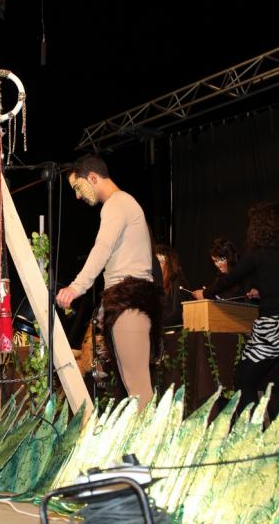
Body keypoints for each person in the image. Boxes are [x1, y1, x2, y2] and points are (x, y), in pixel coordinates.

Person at [56, 154, 162, 411]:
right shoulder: (124, 204)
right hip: (128, 300)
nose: (78, 196)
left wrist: (76, 287)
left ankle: (147, 447)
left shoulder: (117, 204)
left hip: (130, 301)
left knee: (138, 387)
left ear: (92, 178)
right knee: (133, 386)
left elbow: (102, 249)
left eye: (78, 188)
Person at [193, 203, 279, 419]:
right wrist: (266, 292)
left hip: (273, 326)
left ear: (258, 228)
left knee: (244, 380)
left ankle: (250, 429)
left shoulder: (257, 254)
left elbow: (231, 278)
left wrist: (207, 293)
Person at [155, 244, 189, 328]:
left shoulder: (177, 281)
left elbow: (177, 312)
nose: (157, 267)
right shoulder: (157, 283)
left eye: (160, 262)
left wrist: (156, 325)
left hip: (173, 332)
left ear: (169, 263)